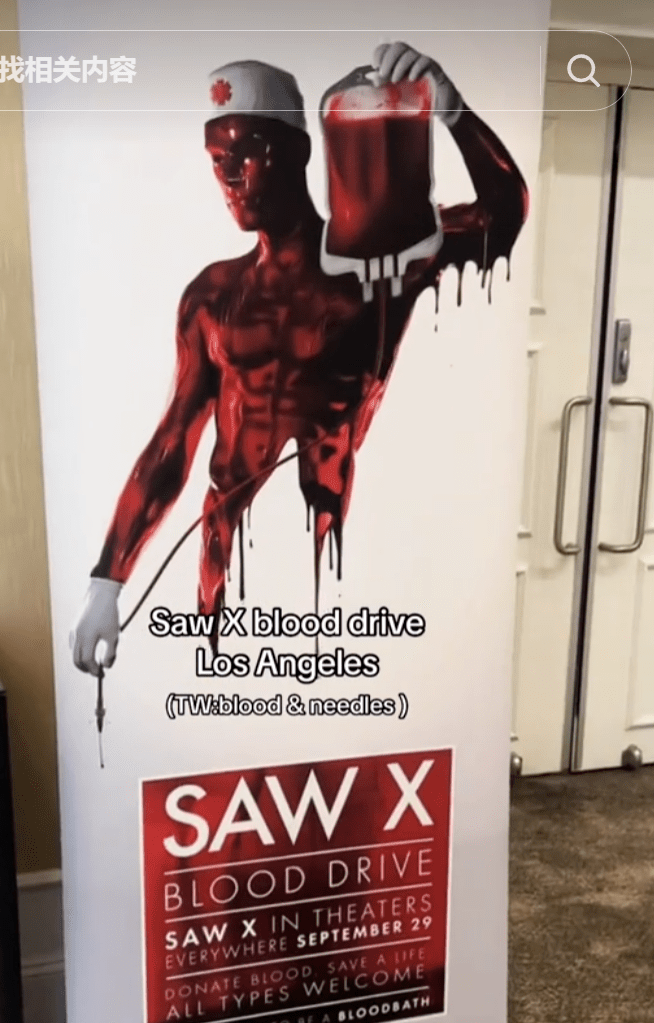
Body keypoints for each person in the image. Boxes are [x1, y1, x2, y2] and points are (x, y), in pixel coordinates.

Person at [72, 41, 527, 675]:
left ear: (297, 151)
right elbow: (174, 440)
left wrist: (452, 113)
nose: (229, 176)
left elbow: (499, 218)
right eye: (216, 159)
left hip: (324, 562)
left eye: (246, 152)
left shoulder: (378, 263)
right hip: (220, 569)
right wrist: (107, 581)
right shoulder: (212, 296)